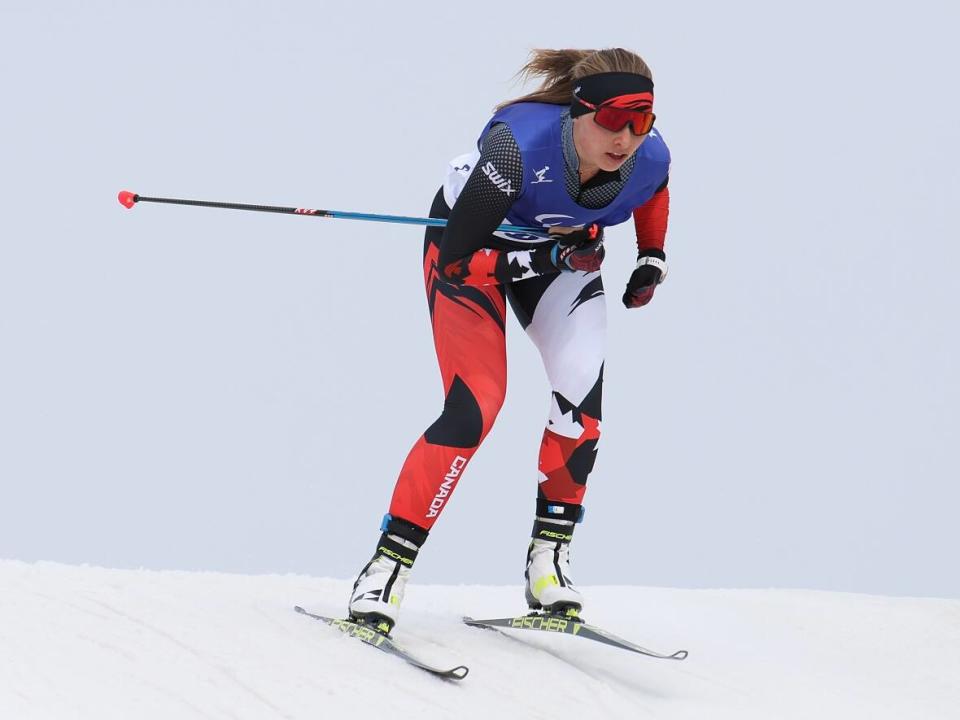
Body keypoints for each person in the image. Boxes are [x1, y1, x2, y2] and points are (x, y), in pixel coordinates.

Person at [347, 47, 671, 633]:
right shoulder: (515, 148)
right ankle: (386, 567)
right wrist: (546, 255)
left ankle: (547, 563)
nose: (626, 138)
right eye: (612, 121)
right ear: (578, 113)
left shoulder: (648, 155)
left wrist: (653, 257)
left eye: (641, 121)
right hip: (474, 253)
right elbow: (456, 263)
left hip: (560, 258)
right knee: (477, 406)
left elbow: (654, 189)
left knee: (580, 401)